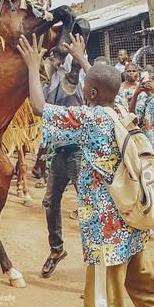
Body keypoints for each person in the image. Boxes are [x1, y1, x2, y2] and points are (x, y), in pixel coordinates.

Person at [17, 34, 154, 307]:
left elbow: (40, 107)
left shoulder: (90, 119)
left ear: (90, 92)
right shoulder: (120, 110)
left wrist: (32, 65)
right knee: (148, 295)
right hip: (134, 228)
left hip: (107, 238)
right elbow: (107, 84)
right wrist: (82, 59)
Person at [41, 36, 89, 279]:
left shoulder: (74, 74)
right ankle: (56, 250)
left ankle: (97, 259)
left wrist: (78, 59)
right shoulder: (48, 79)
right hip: (58, 151)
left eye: (58, 54)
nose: (54, 56)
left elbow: (72, 80)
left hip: (79, 151)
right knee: (50, 202)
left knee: (88, 204)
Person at [127, 68, 154, 172]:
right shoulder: (146, 100)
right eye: (153, 78)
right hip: (150, 149)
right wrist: (136, 94)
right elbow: (133, 116)